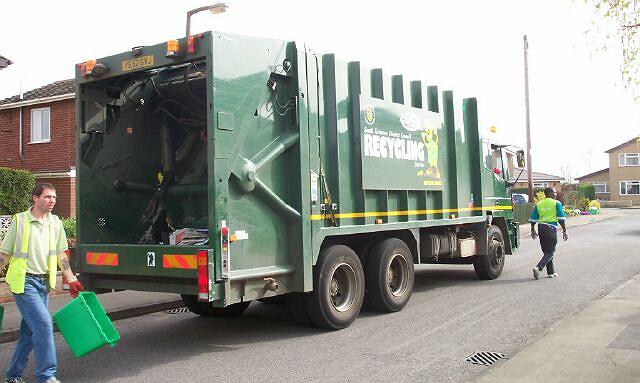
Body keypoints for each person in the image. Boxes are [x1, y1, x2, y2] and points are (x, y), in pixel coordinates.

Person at [0, 183, 84, 383]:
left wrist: (71, 279)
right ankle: (46, 376)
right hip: (24, 282)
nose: (52, 201)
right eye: (47, 197)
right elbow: (5, 255)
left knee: (30, 332)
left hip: (43, 283)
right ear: (35, 198)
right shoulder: (20, 221)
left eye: (54, 197)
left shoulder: (55, 223)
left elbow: (61, 256)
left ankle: (13, 375)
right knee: (44, 324)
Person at [529, 187, 568, 280]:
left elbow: (533, 219)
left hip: (541, 228)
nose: (555, 194)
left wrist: (532, 230)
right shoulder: (556, 203)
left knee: (547, 251)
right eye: (554, 193)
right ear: (550, 193)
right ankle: (538, 267)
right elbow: (561, 219)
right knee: (550, 251)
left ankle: (551, 272)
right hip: (550, 228)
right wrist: (564, 230)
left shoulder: (539, 204)